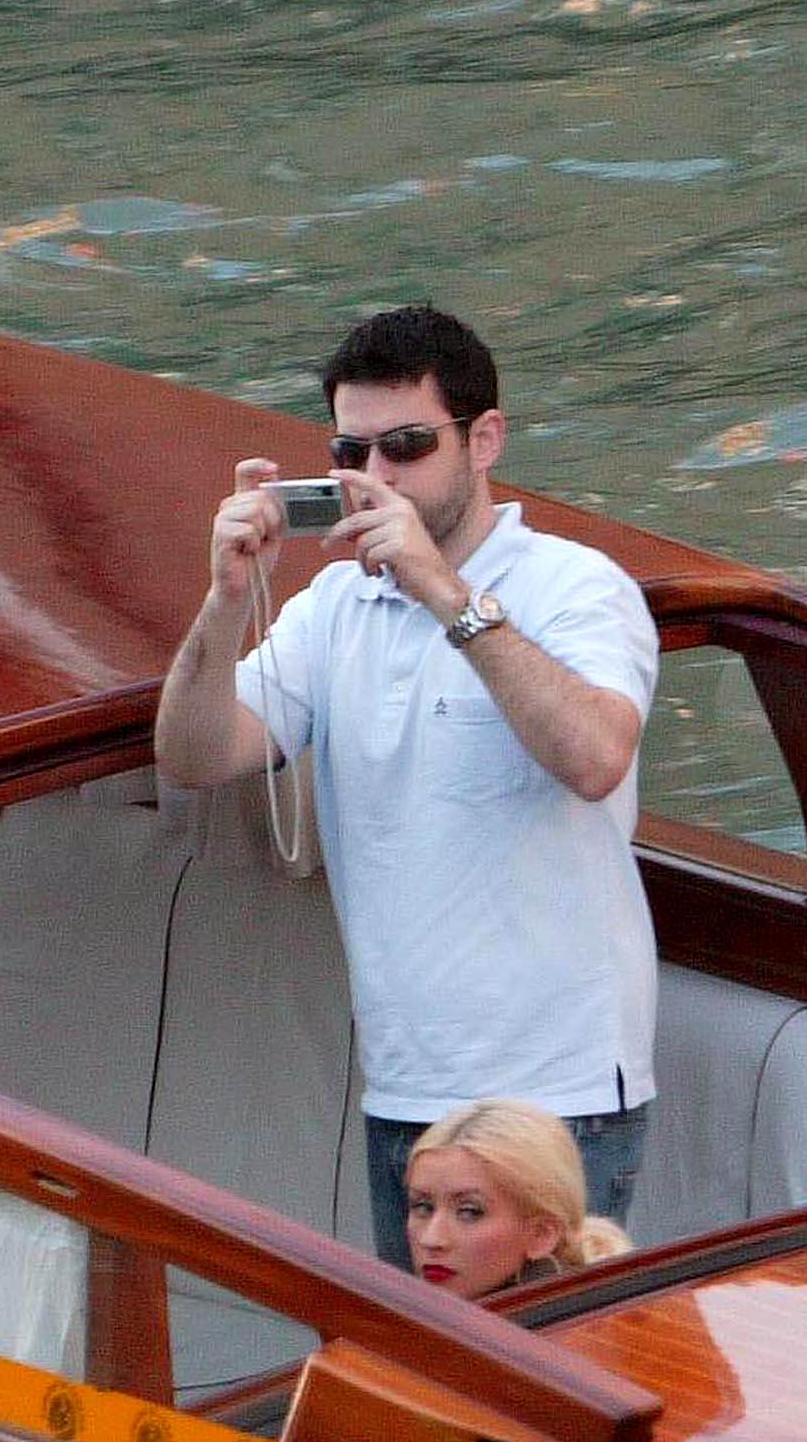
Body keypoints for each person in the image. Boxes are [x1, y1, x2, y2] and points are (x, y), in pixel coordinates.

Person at [153, 300, 659, 1266]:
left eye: (408, 446)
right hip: (407, 1093)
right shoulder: (332, 605)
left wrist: (439, 590)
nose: (378, 477)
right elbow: (195, 755)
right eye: (353, 453)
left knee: (550, 1359)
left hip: (557, 1099)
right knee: (423, 1358)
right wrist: (224, 602)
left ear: (483, 441)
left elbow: (595, 757)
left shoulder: (576, 587)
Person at [403, 1099, 632, 1300]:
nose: (431, 1239)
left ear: (541, 1235)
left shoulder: (580, 1329)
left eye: (469, 1212)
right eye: (423, 1207)